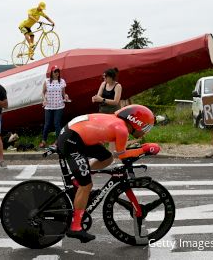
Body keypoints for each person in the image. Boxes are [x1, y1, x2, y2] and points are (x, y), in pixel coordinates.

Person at [57, 104, 160, 242]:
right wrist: (146, 149)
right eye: (146, 128)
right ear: (137, 123)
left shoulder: (118, 122)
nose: (146, 132)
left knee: (107, 158)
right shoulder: (121, 129)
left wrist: (141, 149)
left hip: (75, 135)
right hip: (72, 141)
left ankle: (78, 181)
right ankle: (75, 227)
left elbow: (116, 153)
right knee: (86, 185)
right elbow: (123, 156)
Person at [40, 65, 70, 148]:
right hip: (49, 105)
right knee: (47, 124)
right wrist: (44, 100)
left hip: (59, 106)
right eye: (55, 71)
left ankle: (58, 142)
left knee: (57, 123)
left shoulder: (62, 81)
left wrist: (66, 97)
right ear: (52, 73)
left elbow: (64, 93)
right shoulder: (47, 81)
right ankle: (43, 141)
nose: (57, 73)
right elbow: (42, 92)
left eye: (58, 71)